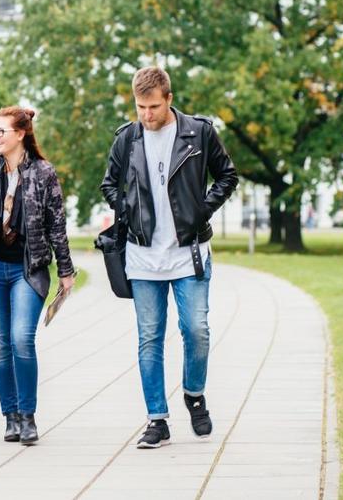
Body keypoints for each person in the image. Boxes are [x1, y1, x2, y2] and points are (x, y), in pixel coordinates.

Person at [100, 66, 238, 448]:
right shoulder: (127, 138)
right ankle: (156, 420)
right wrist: (127, 209)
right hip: (143, 257)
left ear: (170, 99)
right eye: (140, 107)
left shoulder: (199, 132)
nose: (146, 115)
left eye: (154, 107)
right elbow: (109, 182)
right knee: (149, 338)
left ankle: (194, 394)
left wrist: (201, 210)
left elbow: (227, 176)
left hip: (189, 252)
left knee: (197, 330)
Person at [0, 106, 76, 446]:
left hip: (29, 267)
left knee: (21, 339)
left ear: (20, 134)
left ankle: (28, 415)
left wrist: (65, 271)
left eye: (1, 131)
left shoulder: (43, 172)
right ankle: (9, 416)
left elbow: (57, 225)